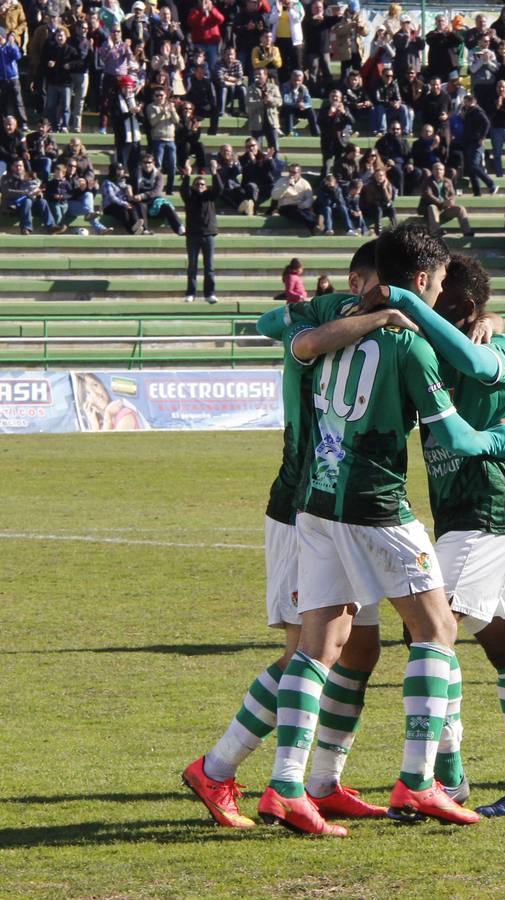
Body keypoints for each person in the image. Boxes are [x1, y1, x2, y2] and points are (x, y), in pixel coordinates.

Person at [253, 223, 505, 836]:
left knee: (318, 646)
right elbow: (456, 437)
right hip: (374, 503)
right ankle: (418, 782)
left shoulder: (333, 324)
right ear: (425, 280)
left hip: (315, 504)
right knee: (436, 629)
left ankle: (286, 787)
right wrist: (504, 438)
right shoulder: (410, 344)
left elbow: (289, 337)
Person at [183, 242, 399, 829]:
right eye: (386, 285)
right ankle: (221, 768)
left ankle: (323, 780)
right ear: (359, 281)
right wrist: (353, 307)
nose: (397, 297)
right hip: (301, 505)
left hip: (350, 508)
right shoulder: (323, 315)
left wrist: (487, 317)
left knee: (361, 648)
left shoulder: (397, 322)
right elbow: (271, 322)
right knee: (309, 650)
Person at [358, 254, 505, 817]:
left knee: (429, 629)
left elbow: (478, 359)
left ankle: (441, 776)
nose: (428, 316)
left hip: (489, 514)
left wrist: (411, 300)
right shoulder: (440, 355)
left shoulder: (501, 350)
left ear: (464, 309)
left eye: (440, 303)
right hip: (464, 517)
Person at [418, 161, 473, 238]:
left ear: (443, 171)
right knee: (432, 207)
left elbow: (453, 195)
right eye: (436, 169)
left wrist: (451, 202)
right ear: (432, 171)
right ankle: (435, 232)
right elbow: (428, 195)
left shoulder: (448, 181)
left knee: (461, 209)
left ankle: (467, 232)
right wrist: (442, 203)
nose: (438, 171)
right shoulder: (427, 181)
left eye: (441, 169)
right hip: (430, 209)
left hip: (445, 208)